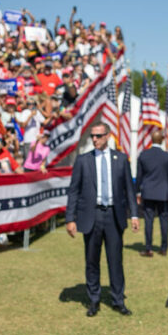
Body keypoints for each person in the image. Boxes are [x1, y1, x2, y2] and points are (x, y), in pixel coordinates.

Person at [65, 122, 140, 317]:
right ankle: (94, 300)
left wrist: (134, 214)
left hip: (114, 215)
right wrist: (70, 218)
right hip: (91, 215)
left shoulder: (121, 159)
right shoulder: (83, 160)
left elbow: (129, 190)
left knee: (115, 260)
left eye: (98, 136)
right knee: (92, 260)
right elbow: (73, 191)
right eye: (92, 136)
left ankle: (118, 300)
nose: (95, 140)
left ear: (108, 136)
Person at [135, 130, 168, 257]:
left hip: (148, 193)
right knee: (164, 220)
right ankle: (164, 248)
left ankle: (148, 249)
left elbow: (139, 176)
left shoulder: (143, 155)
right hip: (163, 193)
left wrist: (137, 192)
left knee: (149, 221)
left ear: (151, 140)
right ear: (162, 140)